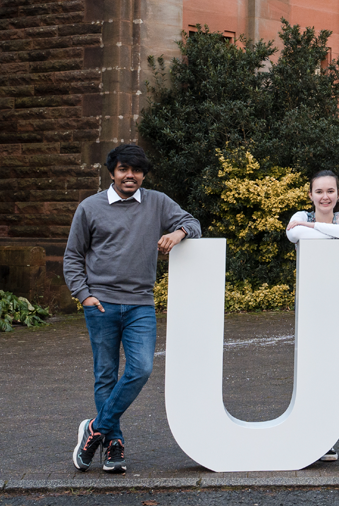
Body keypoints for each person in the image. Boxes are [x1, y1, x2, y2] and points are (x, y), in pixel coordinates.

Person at [64, 144, 201, 474]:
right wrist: (84, 295)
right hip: (100, 305)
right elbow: (72, 257)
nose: (131, 175)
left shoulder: (156, 202)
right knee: (106, 375)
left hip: (140, 303)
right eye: (124, 169)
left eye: (136, 170)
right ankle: (113, 443)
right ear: (112, 172)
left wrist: (178, 233)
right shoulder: (90, 207)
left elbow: (193, 222)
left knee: (140, 369)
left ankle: (94, 430)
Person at [285, 169, 339, 462]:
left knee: (335, 369)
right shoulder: (300, 216)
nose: (325, 196)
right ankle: (309, 435)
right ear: (310, 195)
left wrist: (315, 229)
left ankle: (327, 438)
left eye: (330, 191)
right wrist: (324, 230)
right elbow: (292, 232)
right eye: (319, 191)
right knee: (311, 368)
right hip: (311, 303)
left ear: (338, 194)